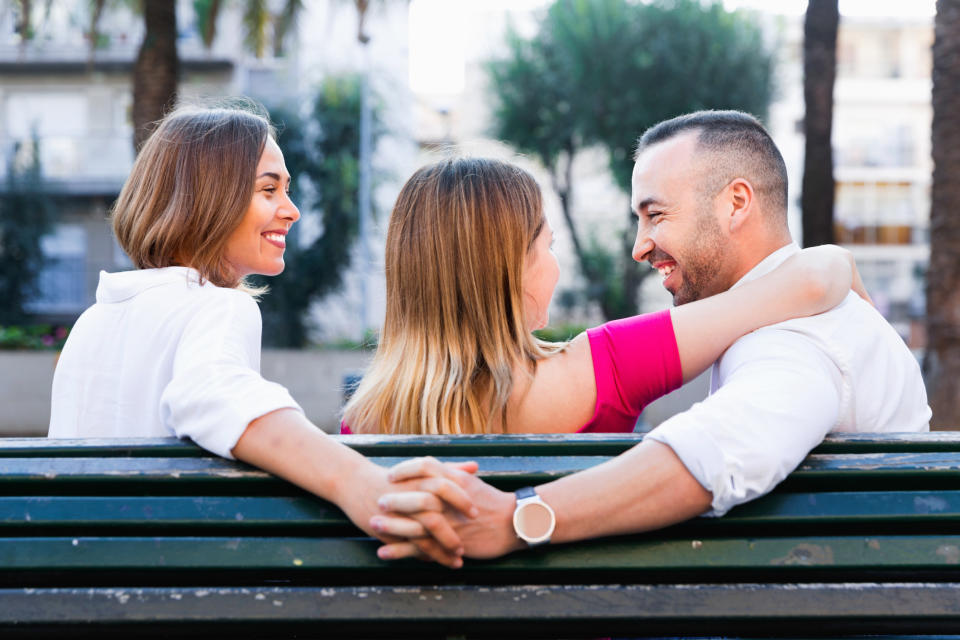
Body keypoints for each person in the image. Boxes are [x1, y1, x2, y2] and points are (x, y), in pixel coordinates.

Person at [371, 111, 931, 562]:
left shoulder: (791, 341)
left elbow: (717, 454)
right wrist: (827, 267)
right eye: (548, 244)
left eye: (655, 215)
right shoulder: (605, 365)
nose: (639, 247)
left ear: (737, 202)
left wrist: (518, 517)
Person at [47, 105, 474, 568]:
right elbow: (213, 393)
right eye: (268, 189)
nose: (291, 211)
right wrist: (362, 484)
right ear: (205, 197)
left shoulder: (95, 319)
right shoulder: (217, 305)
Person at [342, 157, 868, 437]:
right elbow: (814, 280)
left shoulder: (363, 419)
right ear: (509, 271)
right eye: (546, 246)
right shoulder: (605, 365)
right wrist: (842, 261)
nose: (554, 264)